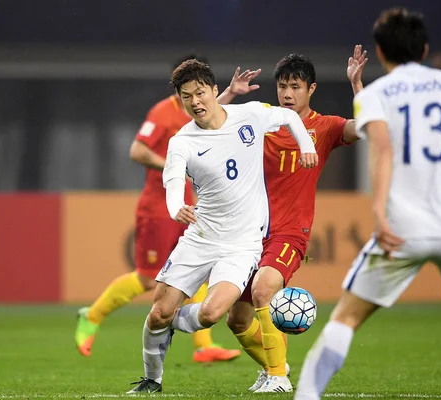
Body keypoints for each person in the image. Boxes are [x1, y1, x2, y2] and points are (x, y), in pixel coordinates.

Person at [294, 9, 441, 400]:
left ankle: (307, 396)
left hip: (403, 227)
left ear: (380, 51)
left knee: (347, 317)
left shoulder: (376, 95)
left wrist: (378, 212)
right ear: (424, 49)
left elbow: (382, 150)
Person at [127, 59, 319, 393]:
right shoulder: (182, 141)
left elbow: (288, 116)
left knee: (212, 314)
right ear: (181, 100)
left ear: (216, 91)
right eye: (187, 97)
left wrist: (306, 144)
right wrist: (177, 209)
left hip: (243, 244)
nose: (195, 102)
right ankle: (151, 380)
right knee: (158, 313)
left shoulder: (249, 116)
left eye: (200, 93)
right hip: (200, 237)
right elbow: (172, 182)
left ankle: (176, 325)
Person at [74, 54, 261, 362]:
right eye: (189, 91)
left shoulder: (205, 112)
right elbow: (137, 150)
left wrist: (231, 93)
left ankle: (203, 346)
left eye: (201, 89)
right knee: (149, 279)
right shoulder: (163, 112)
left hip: (191, 208)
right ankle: (91, 317)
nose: (196, 97)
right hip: (158, 208)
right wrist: (173, 165)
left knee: (202, 271)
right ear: (179, 89)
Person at [223, 46, 367, 393]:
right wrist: (229, 94)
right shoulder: (261, 120)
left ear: (311, 89)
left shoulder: (325, 127)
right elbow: (213, 120)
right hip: (250, 232)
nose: (287, 94)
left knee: (263, 289)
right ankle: (274, 367)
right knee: (237, 320)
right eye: (283, 86)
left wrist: (356, 84)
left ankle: (279, 378)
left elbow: (363, 128)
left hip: (290, 232)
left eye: (296, 87)